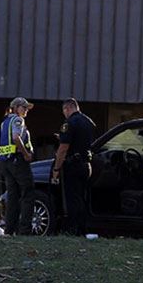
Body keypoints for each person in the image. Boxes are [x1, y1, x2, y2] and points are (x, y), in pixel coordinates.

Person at [52, 98, 96, 236]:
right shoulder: (89, 122)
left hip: (73, 165)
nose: (64, 114)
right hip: (86, 165)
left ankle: (73, 230)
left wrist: (56, 169)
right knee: (82, 198)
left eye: (64, 111)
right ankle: (83, 229)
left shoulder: (69, 123)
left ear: (67, 108)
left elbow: (63, 149)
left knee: (72, 199)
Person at [0, 97, 35, 235]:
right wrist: (26, 154)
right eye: (24, 107)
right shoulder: (18, 120)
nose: (26, 110)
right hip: (18, 161)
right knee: (28, 194)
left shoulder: (4, 122)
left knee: (12, 197)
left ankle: (9, 230)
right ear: (16, 107)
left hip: (5, 163)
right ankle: (25, 231)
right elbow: (16, 138)